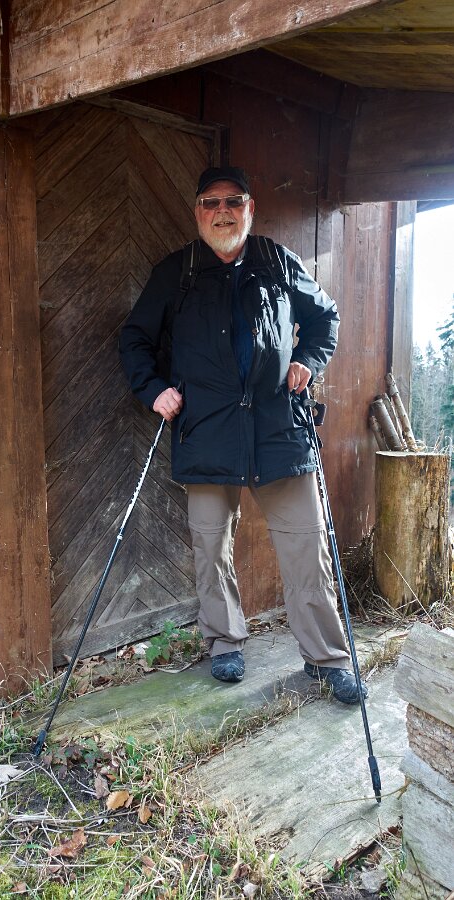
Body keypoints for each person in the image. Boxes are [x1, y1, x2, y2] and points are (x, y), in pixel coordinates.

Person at [119, 165, 367, 704]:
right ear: (197, 212)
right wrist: (154, 390)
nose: (223, 212)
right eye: (211, 203)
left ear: (250, 209)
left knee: (307, 547)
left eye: (233, 201)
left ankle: (327, 657)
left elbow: (325, 319)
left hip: (279, 428)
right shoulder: (177, 272)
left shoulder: (277, 262)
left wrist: (306, 361)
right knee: (211, 546)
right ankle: (224, 642)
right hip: (207, 431)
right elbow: (134, 339)